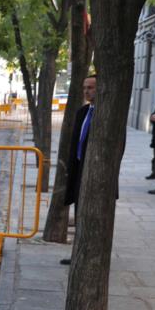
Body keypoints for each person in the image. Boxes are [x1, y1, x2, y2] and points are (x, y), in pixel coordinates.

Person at [60, 75, 97, 265]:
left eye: (91, 87)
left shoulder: (106, 116)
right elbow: (75, 143)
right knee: (80, 214)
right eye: (85, 87)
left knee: (92, 219)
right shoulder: (83, 112)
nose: (86, 91)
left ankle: (91, 256)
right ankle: (78, 254)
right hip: (79, 172)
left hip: (96, 176)